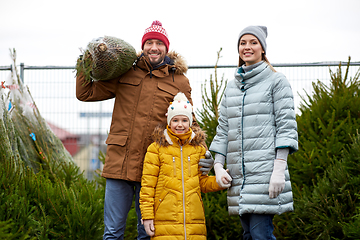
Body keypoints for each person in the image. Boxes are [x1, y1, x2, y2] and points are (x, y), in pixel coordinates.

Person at [76, 20, 214, 240]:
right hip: (119, 163)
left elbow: (191, 122)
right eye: (149, 42)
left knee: (147, 233)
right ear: (143, 46)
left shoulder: (179, 81)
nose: (154, 47)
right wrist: (84, 63)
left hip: (154, 167)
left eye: (159, 43)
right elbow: (86, 93)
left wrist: (204, 153)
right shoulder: (124, 73)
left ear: (166, 48)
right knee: (112, 233)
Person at [209, 25, 298, 239]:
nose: (247, 47)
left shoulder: (277, 81)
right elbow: (223, 130)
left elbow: (286, 126)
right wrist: (218, 166)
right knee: (249, 235)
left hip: (266, 175)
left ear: (263, 49)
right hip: (238, 178)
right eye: (243, 43)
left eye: (253, 42)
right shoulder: (232, 87)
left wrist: (279, 169)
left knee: (260, 235)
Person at [139, 92, 225, 239]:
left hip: (194, 224)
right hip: (164, 223)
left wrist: (219, 181)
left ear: (190, 122)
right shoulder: (156, 149)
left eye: (184, 120)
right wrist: (147, 216)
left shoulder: (198, 149)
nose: (180, 124)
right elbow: (147, 187)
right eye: (175, 120)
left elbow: (202, 183)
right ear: (169, 122)